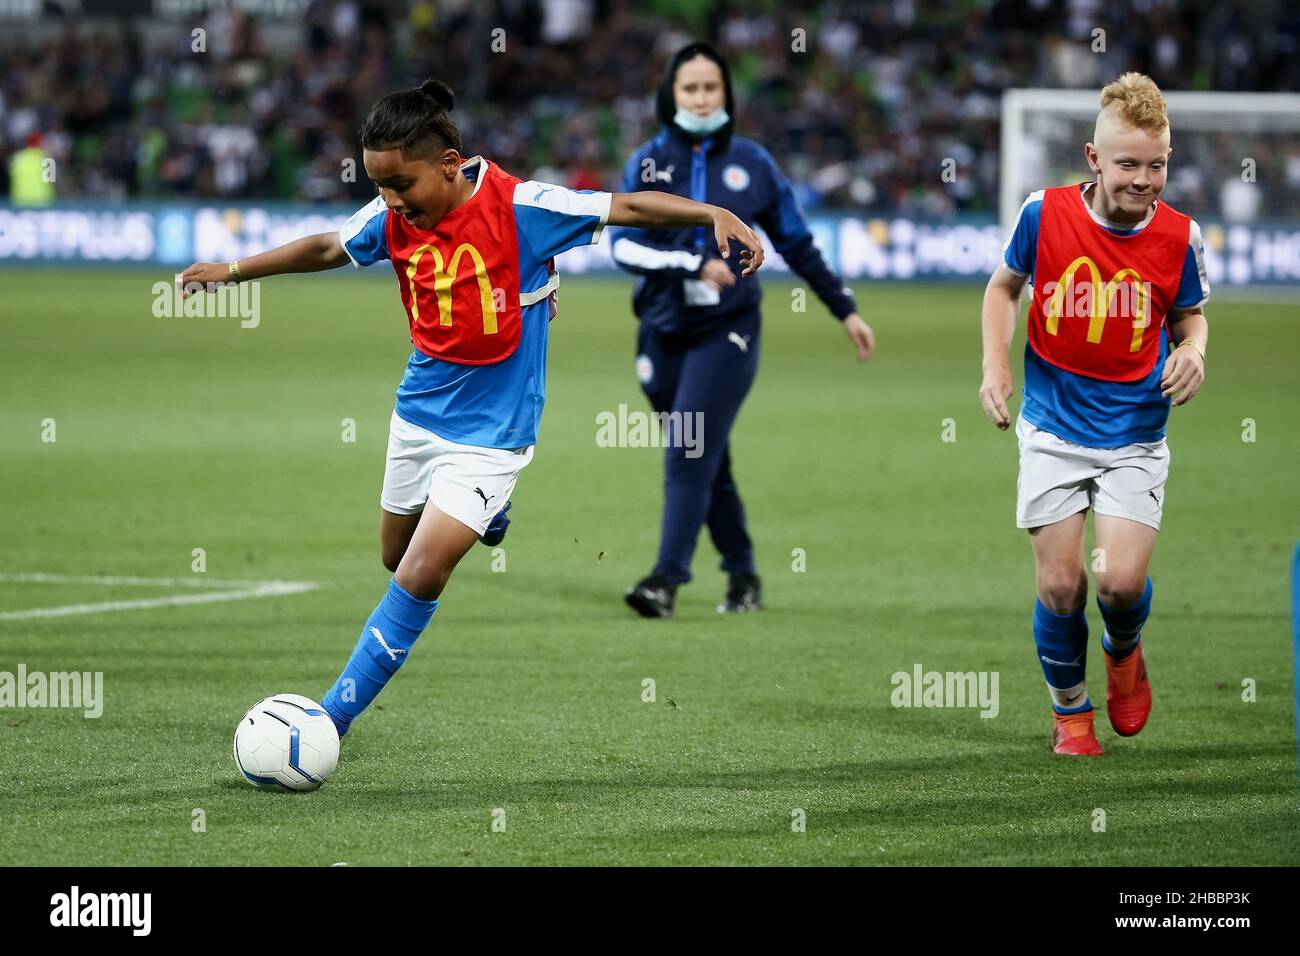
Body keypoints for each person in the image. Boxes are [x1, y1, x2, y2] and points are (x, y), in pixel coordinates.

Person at [179, 78, 764, 746]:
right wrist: (231, 271)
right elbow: (325, 248)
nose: (392, 202)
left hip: (496, 431)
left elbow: (625, 206)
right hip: (420, 411)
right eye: (380, 187)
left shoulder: (521, 206)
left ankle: (328, 721)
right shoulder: (390, 217)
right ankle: (490, 519)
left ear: (450, 163)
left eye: (401, 184)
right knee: (396, 557)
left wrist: (709, 214)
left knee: (425, 571)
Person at [978, 73, 1209, 755]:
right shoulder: (1042, 214)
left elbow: (1189, 318)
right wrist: (995, 365)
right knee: (1060, 583)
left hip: (1136, 432)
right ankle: (1070, 713)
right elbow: (1002, 288)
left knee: (1119, 582)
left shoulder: (1179, 236)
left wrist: (1195, 351)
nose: (1145, 179)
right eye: (1130, 164)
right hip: (1052, 426)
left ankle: (1124, 648)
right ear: (1094, 159)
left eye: (1158, 164)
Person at [611, 42, 875, 619]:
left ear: (727, 94)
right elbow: (622, 244)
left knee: (688, 443)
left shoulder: (754, 164)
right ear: (671, 96)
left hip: (728, 330)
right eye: (691, 89)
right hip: (660, 328)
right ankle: (743, 575)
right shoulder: (647, 164)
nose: (703, 99)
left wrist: (844, 308)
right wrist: (687, 263)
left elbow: (798, 243)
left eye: (712, 88)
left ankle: (665, 579)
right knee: (707, 456)